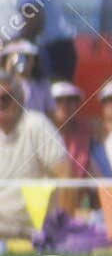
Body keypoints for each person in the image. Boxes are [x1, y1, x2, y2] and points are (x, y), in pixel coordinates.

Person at [0, 70, 70, 238]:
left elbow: (66, 176)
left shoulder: (35, 124)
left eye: (6, 98)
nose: (0, 103)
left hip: (30, 228)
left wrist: (62, 229)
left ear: (21, 98)